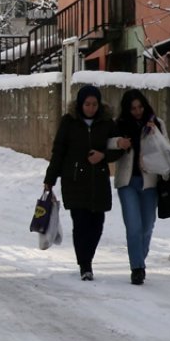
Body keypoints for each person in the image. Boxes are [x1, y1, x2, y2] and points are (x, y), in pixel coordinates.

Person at [44, 85, 124, 281]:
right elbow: (59, 152)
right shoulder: (69, 122)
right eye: (87, 104)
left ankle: (88, 258)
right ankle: (85, 265)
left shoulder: (107, 123)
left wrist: (103, 156)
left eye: (94, 104)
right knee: (80, 223)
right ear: (80, 104)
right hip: (74, 180)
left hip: (98, 180)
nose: (90, 108)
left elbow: (119, 147)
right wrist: (50, 179)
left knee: (97, 224)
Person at [111, 90, 165, 286]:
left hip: (150, 182)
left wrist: (155, 133)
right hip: (127, 182)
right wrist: (119, 142)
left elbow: (166, 148)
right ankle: (137, 268)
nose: (137, 111)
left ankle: (139, 258)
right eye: (133, 108)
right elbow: (107, 144)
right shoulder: (119, 125)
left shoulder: (156, 123)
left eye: (140, 107)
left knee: (147, 225)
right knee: (133, 226)